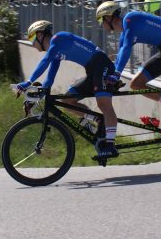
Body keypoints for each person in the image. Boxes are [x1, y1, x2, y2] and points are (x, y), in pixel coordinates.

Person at [95, 1, 161, 151]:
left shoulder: (129, 20)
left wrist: (117, 74)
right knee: (136, 84)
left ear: (108, 17)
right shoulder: (125, 31)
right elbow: (120, 55)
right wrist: (112, 75)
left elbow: (126, 49)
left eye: (100, 20)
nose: (101, 25)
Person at [16, 20, 120, 159]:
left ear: (40, 35)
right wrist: (37, 97)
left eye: (31, 38)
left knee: (104, 104)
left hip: (102, 66)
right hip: (92, 71)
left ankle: (110, 146)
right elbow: (49, 79)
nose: (31, 43)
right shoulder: (56, 52)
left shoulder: (58, 39)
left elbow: (45, 61)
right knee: (68, 101)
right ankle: (98, 120)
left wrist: (29, 81)